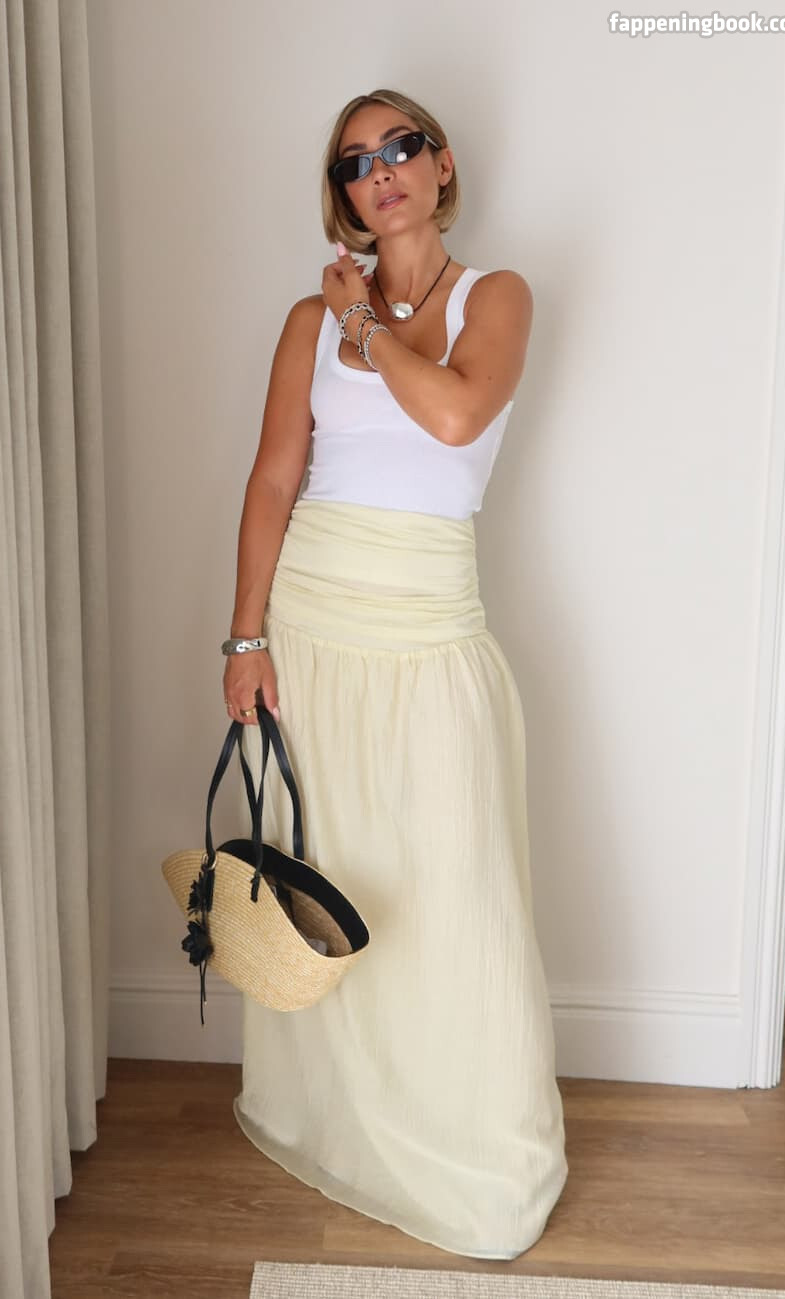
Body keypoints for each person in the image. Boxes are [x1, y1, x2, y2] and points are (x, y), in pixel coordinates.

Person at [221, 87, 568, 1261]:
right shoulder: (302, 321)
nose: (381, 171)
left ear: (441, 163)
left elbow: (458, 418)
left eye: (400, 147)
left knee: (456, 900)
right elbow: (274, 479)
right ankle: (332, 1123)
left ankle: (477, 1160)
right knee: (327, 879)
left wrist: (364, 325)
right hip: (311, 624)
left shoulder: (494, 296)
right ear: (344, 193)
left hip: (428, 626)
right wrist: (244, 638)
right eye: (356, 160)